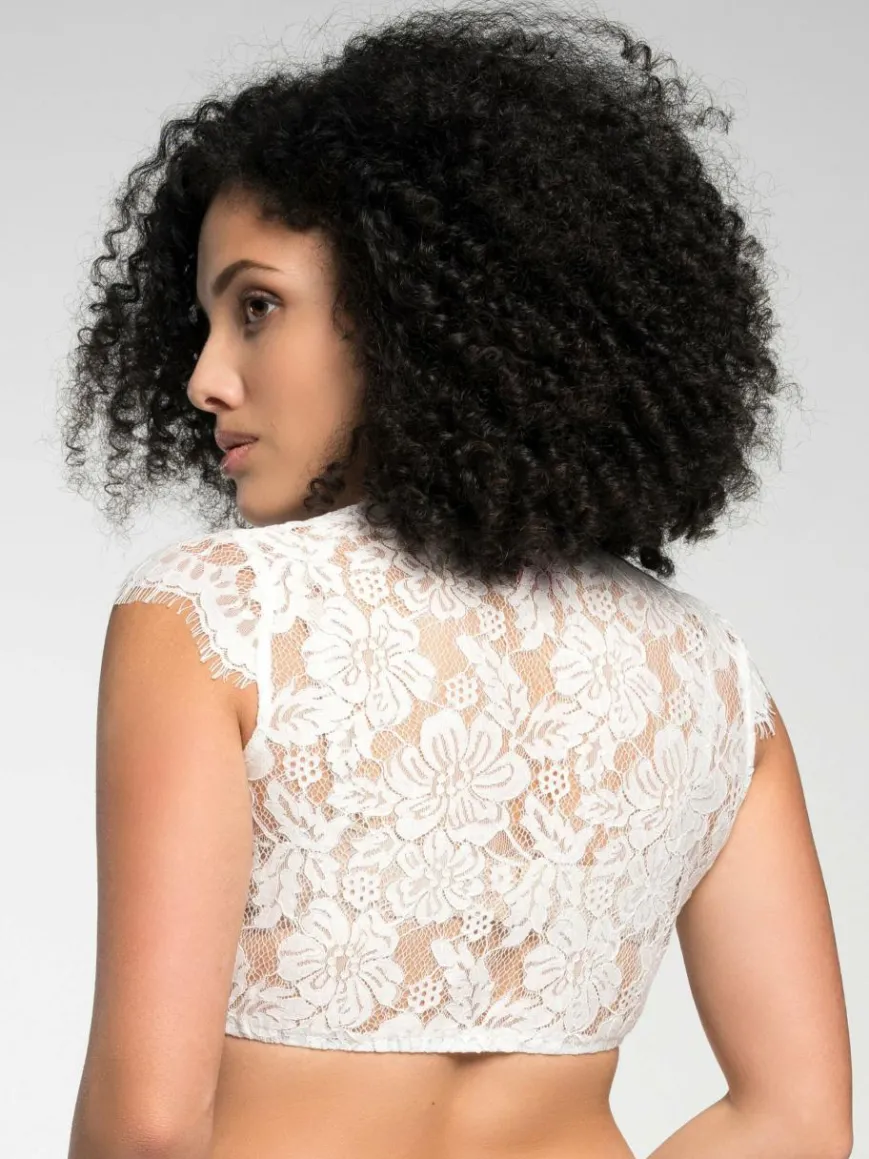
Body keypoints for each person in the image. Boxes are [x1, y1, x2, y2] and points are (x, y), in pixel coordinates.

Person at [60, 4, 852, 1158]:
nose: (203, 378)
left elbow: (147, 1127)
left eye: (257, 307)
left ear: (408, 307)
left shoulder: (214, 616)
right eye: (204, 323)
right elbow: (795, 1119)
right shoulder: (711, 679)